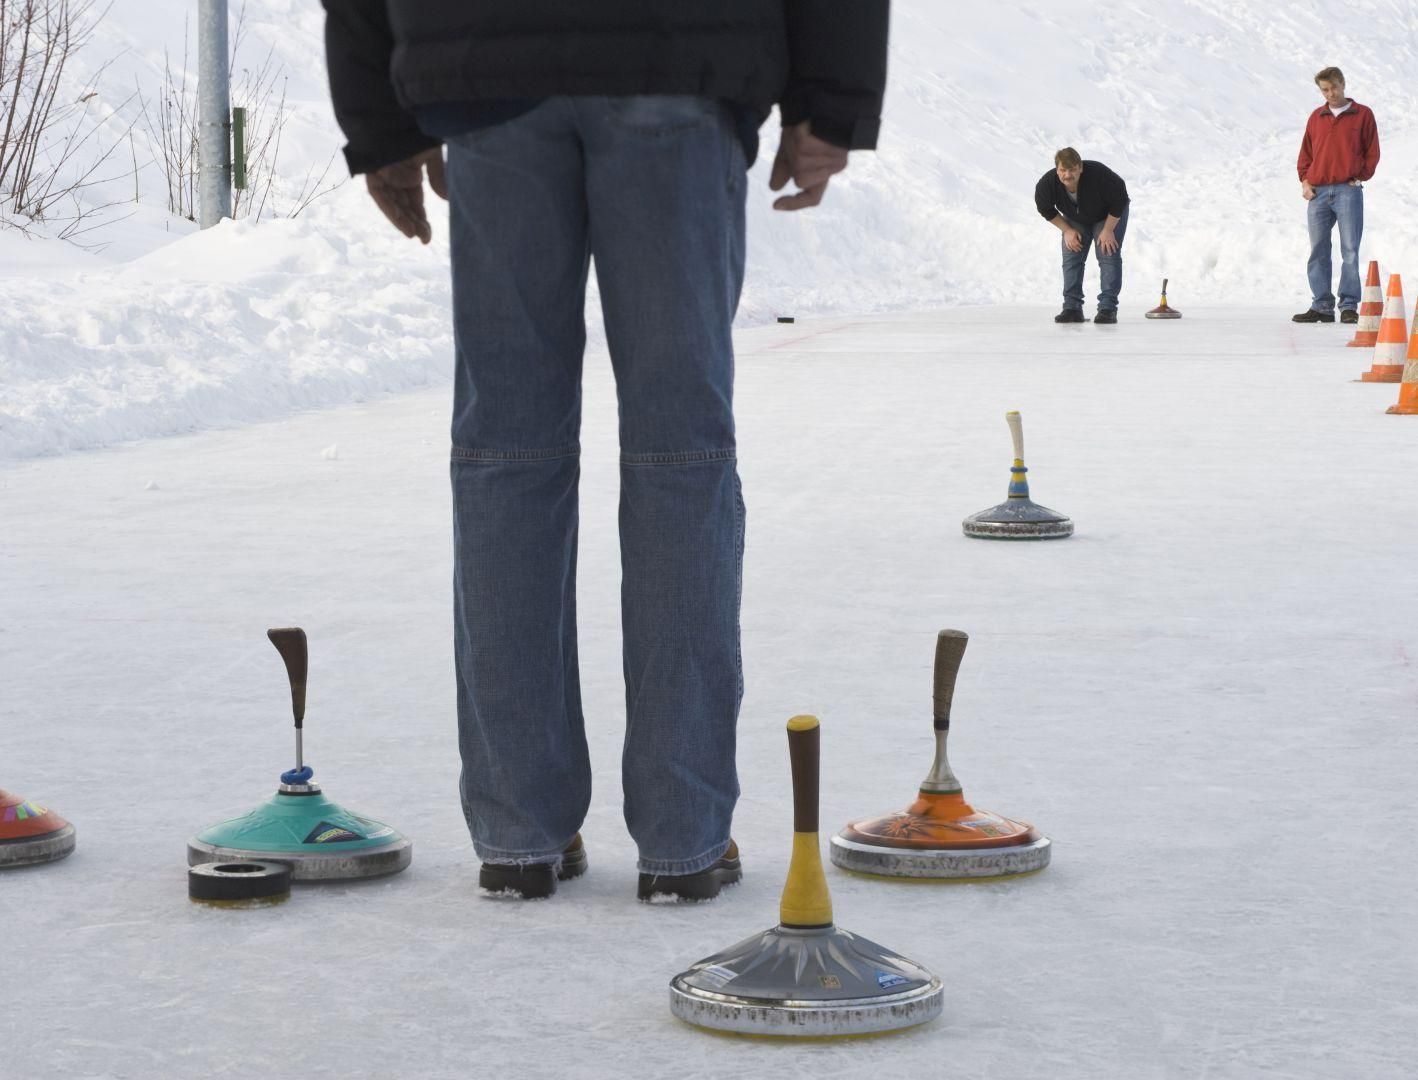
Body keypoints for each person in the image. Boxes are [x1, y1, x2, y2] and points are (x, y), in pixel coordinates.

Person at [321, 2, 889, 901]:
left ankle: (518, 831)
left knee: (506, 451)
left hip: (488, 72)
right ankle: (683, 835)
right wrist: (834, 100)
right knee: (680, 451)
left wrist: (378, 120)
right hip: (677, 59)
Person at [1293, 66, 1380, 324]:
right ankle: (1321, 306)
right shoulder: (1316, 117)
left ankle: (1349, 306)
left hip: (1347, 191)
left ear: (1343, 84)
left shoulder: (1362, 114)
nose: (1330, 93)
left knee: (1350, 250)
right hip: (1318, 193)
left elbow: (1372, 151)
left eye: (1334, 87)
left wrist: (1360, 176)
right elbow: (1306, 153)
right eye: (1325, 89)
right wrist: (1305, 181)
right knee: (1318, 249)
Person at [1035, 148, 1130, 324]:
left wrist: (1108, 230)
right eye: (1063, 170)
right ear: (1057, 170)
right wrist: (1067, 230)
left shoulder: (1099, 175)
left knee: (1107, 252)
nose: (1067, 175)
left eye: (1072, 170)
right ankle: (1072, 308)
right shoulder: (1047, 184)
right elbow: (1045, 208)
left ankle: (1107, 308)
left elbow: (1120, 199)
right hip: (1076, 217)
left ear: (1081, 168)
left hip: (1108, 214)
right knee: (1071, 255)